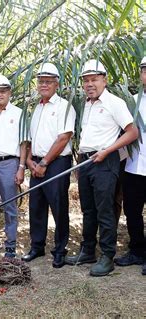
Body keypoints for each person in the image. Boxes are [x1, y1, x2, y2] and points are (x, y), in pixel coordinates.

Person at [65, 59, 138, 276]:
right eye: (86, 80)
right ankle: (88, 250)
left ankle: (107, 256)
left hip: (105, 162)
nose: (89, 84)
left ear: (104, 80)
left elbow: (132, 132)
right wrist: (80, 160)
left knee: (105, 210)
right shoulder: (87, 104)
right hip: (86, 161)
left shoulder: (114, 103)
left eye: (94, 79)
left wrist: (107, 151)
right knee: (88, 209)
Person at [22, 62, 76, 268]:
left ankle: (60, 250)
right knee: (36, 205)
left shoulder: (64, 106)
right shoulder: (36, 107)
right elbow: (30, 138)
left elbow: (64, 138)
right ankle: (37, 246)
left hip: (56, 163)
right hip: (36, 162)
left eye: (48, 81)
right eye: (41, 81)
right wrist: (29, 161)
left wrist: (44, 162)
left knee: (59, 206)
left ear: (56, 83)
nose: (43, 84)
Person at [0, 75, 27, 258]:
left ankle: (11, 243)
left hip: (10, 163)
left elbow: (24, 143)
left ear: (9, 92)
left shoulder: (19, 114)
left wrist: (22, 167)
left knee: (10, 206)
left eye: (3, 90)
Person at [114, 56, 145, 275]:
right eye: (144, 70)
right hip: (133, 167)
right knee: (132, 210)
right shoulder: (132, 101)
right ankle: (137, 251)